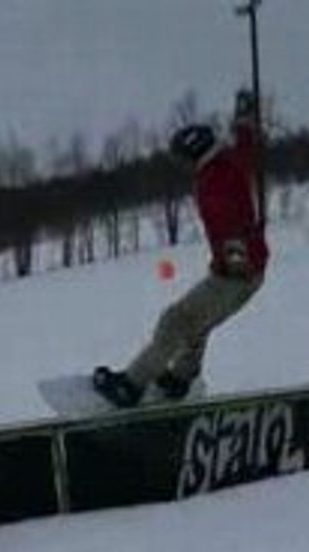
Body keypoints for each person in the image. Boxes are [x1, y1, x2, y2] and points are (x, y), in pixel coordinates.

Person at [94, 89, 268, 408]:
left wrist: (234, 263)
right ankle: (181, 377)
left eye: (182, 158)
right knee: (196, 320)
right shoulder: (227, 163)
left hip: (237, 273)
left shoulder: (214, 181)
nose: (183, 165)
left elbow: (230, 227)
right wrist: (244, 120)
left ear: (193, 152)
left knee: (176, 321)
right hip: (245, 270)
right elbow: (247, 151)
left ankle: (131, 385)